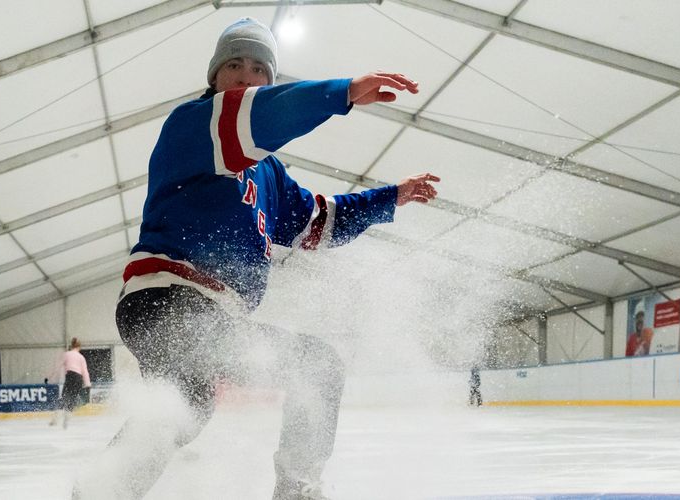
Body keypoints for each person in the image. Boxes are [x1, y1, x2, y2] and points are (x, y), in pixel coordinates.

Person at [95, 17, 440, 500]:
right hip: (170, 299)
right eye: (233, 64)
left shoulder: (270, 176)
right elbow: (263, 115)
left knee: (184, 406)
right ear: (214, 77)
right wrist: (340, 93)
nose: (245, 74)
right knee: (315, 366)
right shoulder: (195, 124)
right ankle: (297, 490)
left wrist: (391, 198)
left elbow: (321, 223)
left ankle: (100, 491)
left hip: (201, 311)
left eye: (259, 68)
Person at [50, 337, 92, 429]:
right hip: (78, 379)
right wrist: (88, 384)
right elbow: (85, 371)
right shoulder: (81, 357)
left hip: (70, 377)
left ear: (71, 345)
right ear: (79, 347)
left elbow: (58, 366)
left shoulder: (66, 354)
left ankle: (55, 418)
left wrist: (50, 377)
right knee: (72, 400)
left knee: (64, 398)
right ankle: (66, 421)